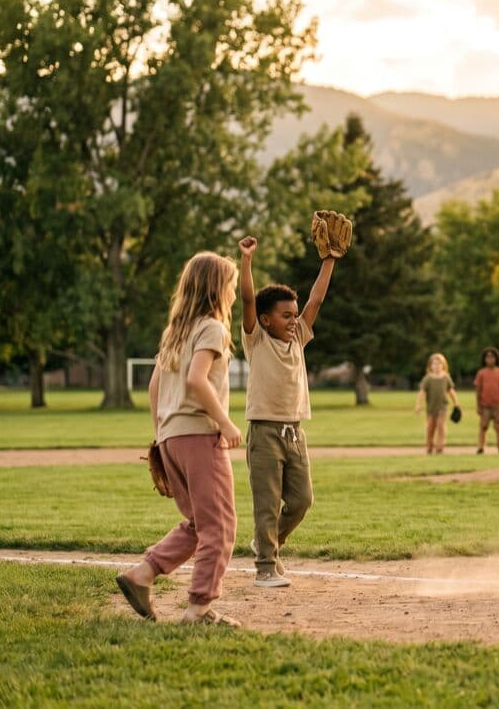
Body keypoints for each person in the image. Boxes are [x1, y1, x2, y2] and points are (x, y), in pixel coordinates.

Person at [115, 252, 243, 626]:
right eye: (231, 285)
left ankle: (143, 573)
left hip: (170, 438)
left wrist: (161, 434)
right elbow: (196, 380)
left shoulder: (175, 332)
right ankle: (199, 610)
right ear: (217, 289)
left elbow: (156, 386)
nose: (233, 293)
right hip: (200, 436)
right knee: (219, 526)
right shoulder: (212, 328)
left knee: (198, 523)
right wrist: (225, 422)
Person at [237, 235, 335, 588]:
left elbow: (317, 298)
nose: (294, 320)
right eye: (286, 316)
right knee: (265, 504)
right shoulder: (257, 339)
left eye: (295, 315)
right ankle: (265, 566)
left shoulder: (298, 337)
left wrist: (330, 259)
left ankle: (269, 543)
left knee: (301, 500)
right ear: (265, 320)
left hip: (295, 432)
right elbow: (248, 298)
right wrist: (246, 260)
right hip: (264, 433)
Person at [415, 352, 460, 454]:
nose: (437, 366)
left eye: (439, 364)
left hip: (442, 407)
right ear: (430, 366)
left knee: (441, 426)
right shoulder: (428, 378)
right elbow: (422, 392)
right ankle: (429, 446)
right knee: (430, 427)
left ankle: (440, 447)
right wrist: (418, 405)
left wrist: (456, 403)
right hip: (431, 408)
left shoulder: (446, 377)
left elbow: (451, 391)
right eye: (434, 364)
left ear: (443, 365)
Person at [473, 347, 499, 454]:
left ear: (496, 359)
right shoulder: (481, 373)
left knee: (498, 427)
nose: (490, 359)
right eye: (487, 357)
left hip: (497, 405)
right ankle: (481, 447)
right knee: (483, 427)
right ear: (484, 359)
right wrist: (478, 405)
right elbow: (478, 390)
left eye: (492, 357)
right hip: (485, 405)